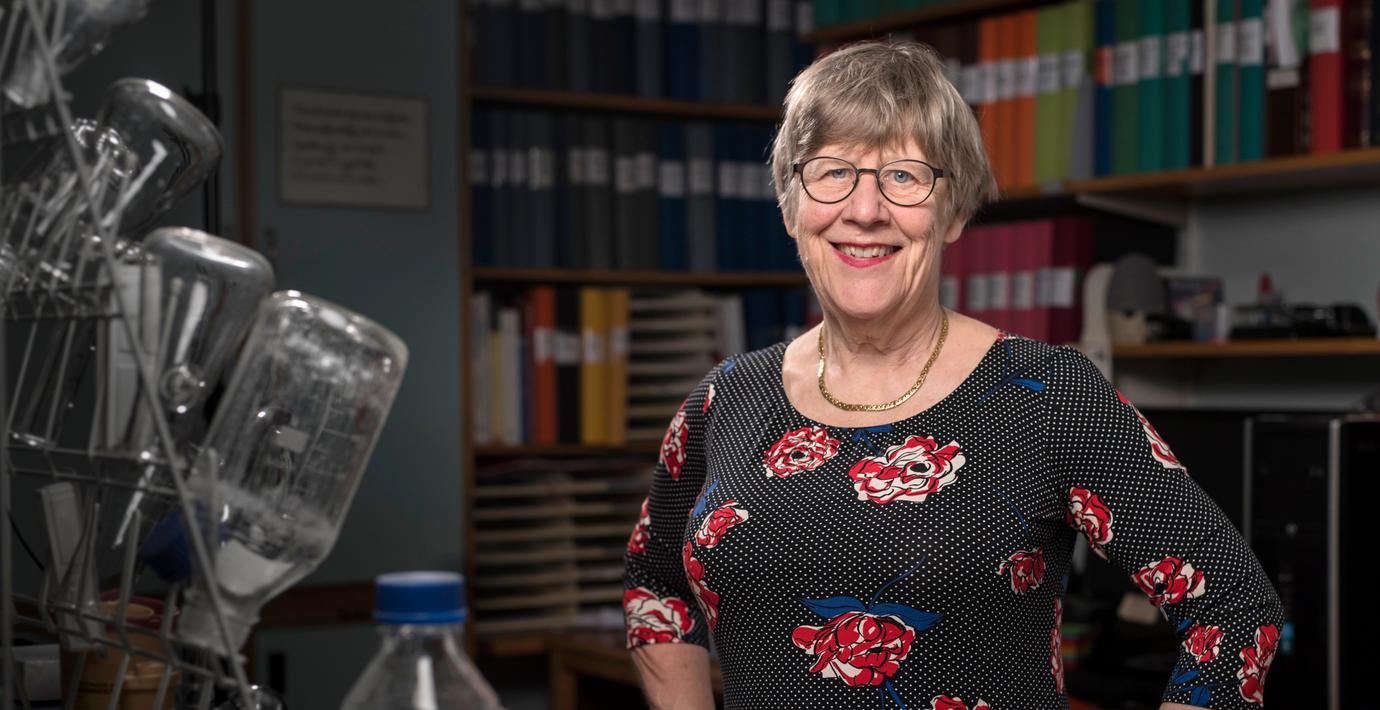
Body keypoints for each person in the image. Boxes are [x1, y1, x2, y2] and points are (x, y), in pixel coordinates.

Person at [622, 41, 1283, 710]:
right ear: (792, 207)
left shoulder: (1050, 395)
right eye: (833, 172)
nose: (865, 210)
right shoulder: (724, 401)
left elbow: (1234, 607)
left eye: (905, 176)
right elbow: (655, 584)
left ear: (955, 211)